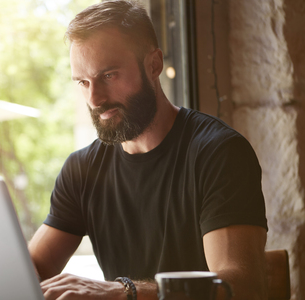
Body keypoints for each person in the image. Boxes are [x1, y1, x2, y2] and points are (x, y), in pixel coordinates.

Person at [29, 1, 268, 299]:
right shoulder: (81, 170)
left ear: (154, 64)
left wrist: (124, 293)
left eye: (108, 76)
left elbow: (242, 286)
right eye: (82, 81)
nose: (95, 98)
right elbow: (33, 269)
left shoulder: (220, 153)